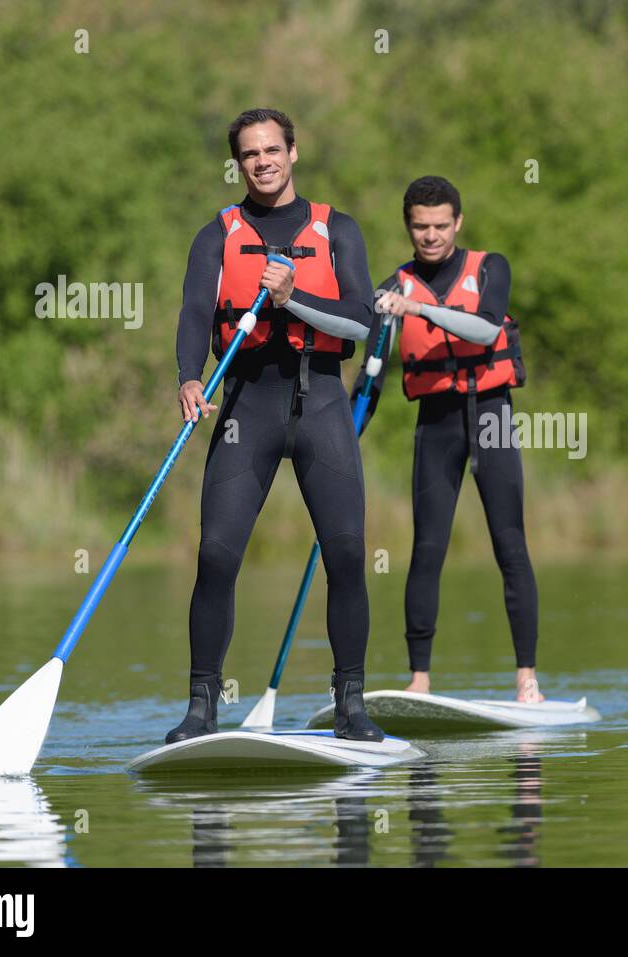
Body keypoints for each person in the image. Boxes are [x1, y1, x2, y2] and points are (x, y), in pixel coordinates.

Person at [168, 107, 383, 743]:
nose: (262, 162)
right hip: (244, 408)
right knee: (214, 557)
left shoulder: (337, 230)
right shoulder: (218, 235)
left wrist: (294, 299)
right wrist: (187, 375)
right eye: (249, 154)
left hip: (320, 404)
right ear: (238, 163)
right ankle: (201, 709)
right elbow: (191, 312)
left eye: (271, 150)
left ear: (293, 152)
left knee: (346, 557)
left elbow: (363, 323)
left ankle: (352, 707)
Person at [353, 175, 542, 701]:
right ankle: (419, 681)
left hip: (491, 416)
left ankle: (526, 678)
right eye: (420, 227)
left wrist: (416, 310)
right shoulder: (392, 287)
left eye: (440, 225)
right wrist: (346, 434)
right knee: (427, 547)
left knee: (510, 545)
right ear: (408, 227)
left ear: (458, 222)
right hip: (436, 422)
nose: (431, 236)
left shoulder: (490, 268)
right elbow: (370, 375)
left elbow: (485, 330)